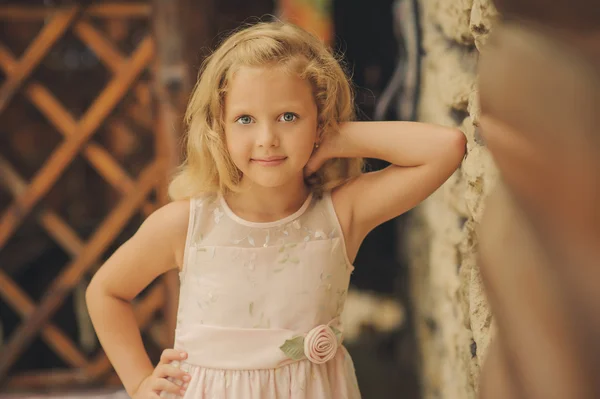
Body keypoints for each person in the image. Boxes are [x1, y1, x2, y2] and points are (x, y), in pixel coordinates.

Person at [86, 21, 465, 399]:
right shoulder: (186, 224)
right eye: (245, 119)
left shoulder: (339, 215)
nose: (267, 139)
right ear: (220, 128)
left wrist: (336, 137)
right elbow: (106, 291)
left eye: (288, 117)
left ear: (318, 121)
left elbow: (446, 148)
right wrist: (138, 382)